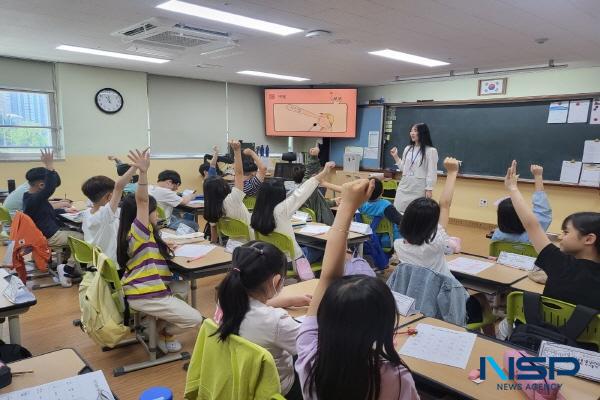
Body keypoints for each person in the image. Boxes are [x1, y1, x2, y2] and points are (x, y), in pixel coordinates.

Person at [295, 178, 420, 400]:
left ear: (328, 317)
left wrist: (347, 206)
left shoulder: (309, 356)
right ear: (383, 327)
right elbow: (329, 278)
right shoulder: (395, 376)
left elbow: (328, 277)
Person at [117, 148, 203, 353]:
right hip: (147, 293)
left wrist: (163, 246)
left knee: (181, 287)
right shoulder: (140, 232)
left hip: (142, 286)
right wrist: (144, 173)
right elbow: (142, 200)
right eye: (154, 212)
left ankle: (154, 327)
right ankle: (157, 331)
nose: (156, 215)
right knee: (196, 319)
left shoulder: (130, 234)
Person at [214, 241, 311, 399]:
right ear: (276, 281)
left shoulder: (225, 299)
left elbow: (251, 307)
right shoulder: (276, 321)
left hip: (239, 375)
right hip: (276, 388)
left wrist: (289, 300)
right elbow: (312, 345)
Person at [502, 160, 600, 309]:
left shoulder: (559, 263)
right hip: (585, 333)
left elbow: (531, 225)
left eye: (566, 232)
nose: (561, 237)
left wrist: (513, 188)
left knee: (504, 328)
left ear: (589, 239)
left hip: (543, 331)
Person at [251, 162, 335, 263]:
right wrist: (325, 171)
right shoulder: (282, 209)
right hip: (292, 261)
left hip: (270, 259)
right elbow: (303, 191)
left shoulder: (256, 212)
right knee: (326, 247)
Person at [23, 149, 83, 286]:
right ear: (41, 185)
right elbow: (49, 189)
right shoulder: (34, 199)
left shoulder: (30, 198)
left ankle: (67, 264)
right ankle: (67, 268)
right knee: (85, 238)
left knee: (74, 233)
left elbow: (47, 212)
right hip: (50, 236)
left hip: (47, 233)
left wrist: (64, 210)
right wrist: (49, 165)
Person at [393, 157, 459, 277]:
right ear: (432, 225)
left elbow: (444, 206)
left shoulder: (398, 245)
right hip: (439, 292)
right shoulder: (436, 243)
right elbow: (445, 205)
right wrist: (452, 172)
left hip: (414, 291)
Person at [81, 162, 138, 263]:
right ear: (109, 197)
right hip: (113, 264)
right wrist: (136, 166)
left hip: (97, 261)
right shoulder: (105, 214)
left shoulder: (86, 213)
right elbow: (119, 186)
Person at [204, 140, 253, 242]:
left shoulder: (211, 208)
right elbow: (239, 174)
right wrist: (237, 150)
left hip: (232, 244)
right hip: (250, 241)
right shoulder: (233, 200)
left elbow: (213, 238)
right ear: (224, 187)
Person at [492, 164, 552, 243]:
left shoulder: (497, 236)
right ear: (523, 216)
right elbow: (543, 212)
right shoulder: (533, 235)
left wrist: (512, 187)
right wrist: (538, 176)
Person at [390, 123, 439, 213]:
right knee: (398, 212)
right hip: (404, 186)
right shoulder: (408, 149)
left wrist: (429, 189)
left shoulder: (431, 151)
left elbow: (431, 172)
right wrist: (396, 156)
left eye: (415, 131)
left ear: (422, 133)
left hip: (418, 188)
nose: (412, 133)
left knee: (414, 214)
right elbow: (404, 169)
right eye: (411, 131)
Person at [358, 178, 402, 249]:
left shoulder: (360, 204)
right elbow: (401, 221)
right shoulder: (386, 206)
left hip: (366, 240)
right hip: (385, 243)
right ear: (382, 191)